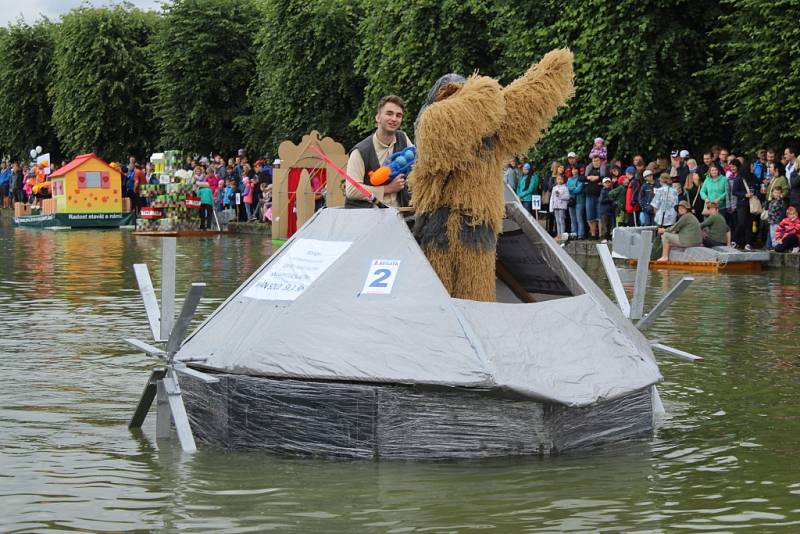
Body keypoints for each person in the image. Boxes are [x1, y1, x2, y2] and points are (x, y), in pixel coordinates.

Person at [345, 95, 412, 208]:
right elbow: (351, 190)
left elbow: (416, 167)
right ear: (378, 117)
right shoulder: (360, 151)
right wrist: (387, 189)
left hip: (400, 215)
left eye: (398, 115)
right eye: (389, 113)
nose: (394, 119)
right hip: (367, 218)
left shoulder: (403, 138)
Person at [583, 155, 608, 238]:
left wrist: (597, 178)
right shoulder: (588, 169)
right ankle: (593, 234)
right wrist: (588, 177)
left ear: (600, 161)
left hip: (600, 195)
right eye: (594, 161)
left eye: (597, 161)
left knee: (600, 215)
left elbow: (607, 178)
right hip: (589, 194)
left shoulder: (604, 169)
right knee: (590, 215)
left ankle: (601, 234)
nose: (595, 162)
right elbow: (582, 178)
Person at [566, 164, 585, 238]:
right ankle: (574, 234)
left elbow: (578, 189)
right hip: (571, 201)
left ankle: (581, 234)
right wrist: (573, 188)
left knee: (579, 218)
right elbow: (566, 189)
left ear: (578, 170)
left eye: (575, 169)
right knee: (572, 218)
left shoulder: (580, 179)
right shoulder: (569, 179)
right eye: (572, 169)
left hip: (579, 201)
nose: (574, 171)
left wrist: (571, 188)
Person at [550, 173, 570, 239]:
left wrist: (560, 196)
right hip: (555, 206)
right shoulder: (554, 188)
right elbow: (552, 198)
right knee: (557, 220)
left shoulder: (565, 188)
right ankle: (558, 234)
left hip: (562, 206)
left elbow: (568, 197)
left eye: (561, 179)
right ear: (556, 180)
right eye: (558, 179)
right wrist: (551, 207)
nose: (559, 180)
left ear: (563, 180)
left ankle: (562, 235)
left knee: (561, 220)